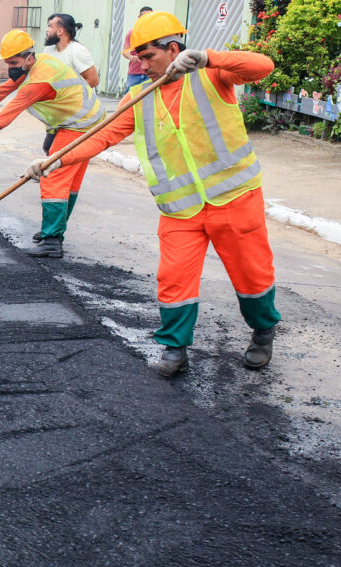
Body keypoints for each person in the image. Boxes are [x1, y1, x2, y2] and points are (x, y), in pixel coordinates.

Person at [26, 12, 280, 377]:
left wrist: (211, 56)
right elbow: (101, 136)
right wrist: (54, 160)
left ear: (172, 48)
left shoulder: (212, 77)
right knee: (174, 278)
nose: (140, 65)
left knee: (251, 274)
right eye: (136, 58)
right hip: (180, 209)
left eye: (146, 56)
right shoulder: (139, 96)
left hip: (234, 199)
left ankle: (263, 331)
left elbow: (263, 66)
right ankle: (175, 350)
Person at [0, 29, 103, 258]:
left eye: (14, 62)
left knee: (54, 178)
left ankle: (52, 240)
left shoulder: (38, 81)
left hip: (78, 126)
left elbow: (5, 118)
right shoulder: (38, 64)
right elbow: (9, 85)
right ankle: (54, 230)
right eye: (7, 62)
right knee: (70, 181)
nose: (11, 67)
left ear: (29, 57)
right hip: (84, 122)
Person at [44, 12, 97, 88]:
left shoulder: (78, 51)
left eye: (50, 27)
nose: (47, 30)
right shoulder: (48, 49)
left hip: (78, 99)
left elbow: (93, 81)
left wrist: (68, 93)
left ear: (59, 31)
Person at [122, 6, 153, 89]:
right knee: (129, 97)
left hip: (152, 72)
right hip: (135, 73)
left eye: (149, 16)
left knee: (150, 98)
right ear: (139, 17)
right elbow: (125, 51)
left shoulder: (156, 33)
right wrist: (131, 57)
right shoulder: (132, 33)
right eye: (143, 16)